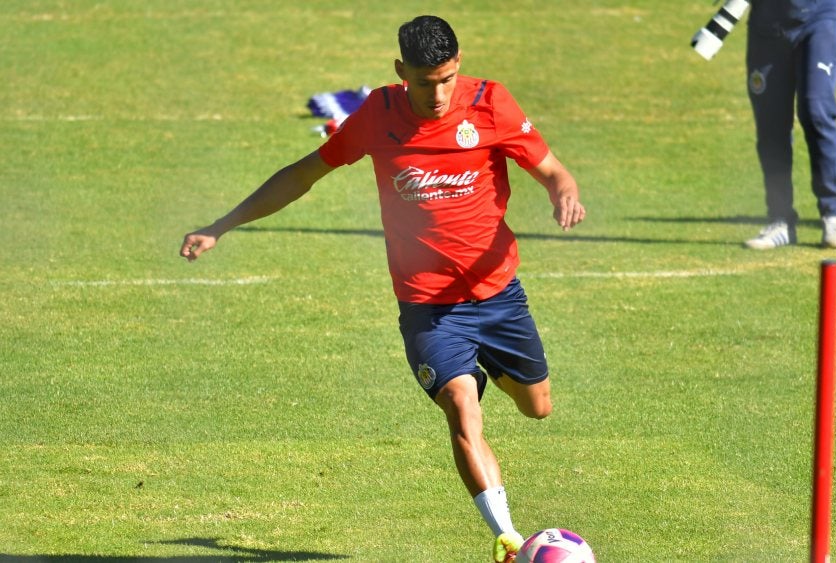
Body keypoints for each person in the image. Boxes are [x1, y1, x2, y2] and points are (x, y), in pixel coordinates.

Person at [179, 15, 585, 562]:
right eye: (423, 82)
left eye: (445, 80)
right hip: (428, 308)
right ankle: (508, 536)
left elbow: (553, 169)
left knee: (537, 407)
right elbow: (302, 174)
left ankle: (502, 371)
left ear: (458, 65)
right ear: (400, 72)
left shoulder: (492, 104)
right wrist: (220, 225)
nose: (437, 96)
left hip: (498, 294)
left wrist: (564, 192)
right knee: (462, 407)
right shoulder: (379, 115)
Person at [742, 0, 836, 250]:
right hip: (766, 27)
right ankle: (780, 221)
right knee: (771, 124)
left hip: (819, 17)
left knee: (816, 110)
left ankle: (833, 214)